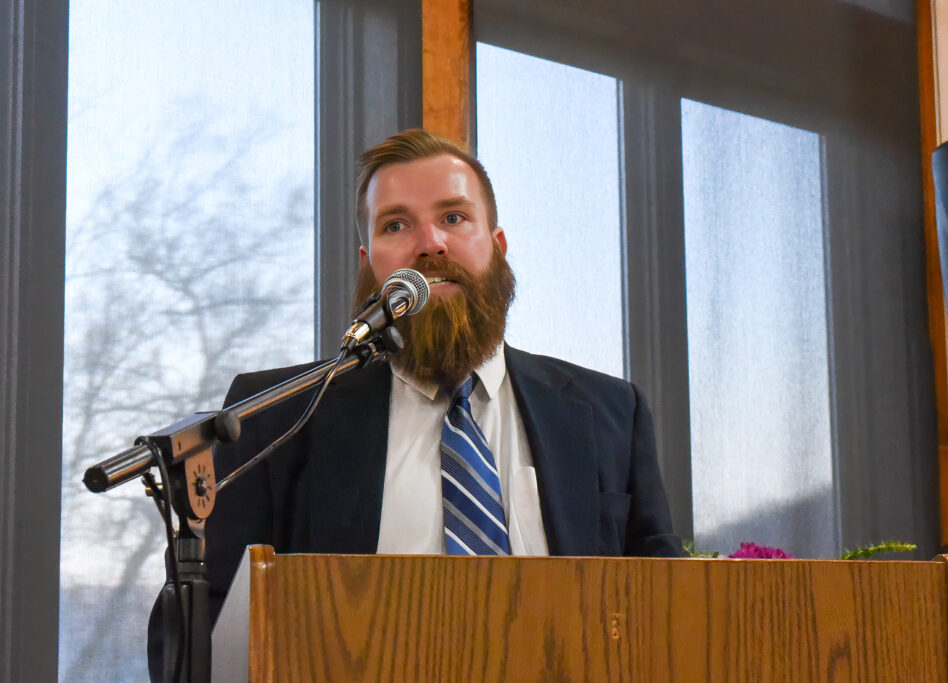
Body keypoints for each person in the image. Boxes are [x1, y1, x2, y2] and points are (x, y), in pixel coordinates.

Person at [148, 129, 680, 679]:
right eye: (396, 225)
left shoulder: (611, 411)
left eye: (454, 217)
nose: (431, 244)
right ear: (370, 264)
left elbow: (669, 608)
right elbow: (201, 626)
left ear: (497, 246)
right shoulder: (278, 417)